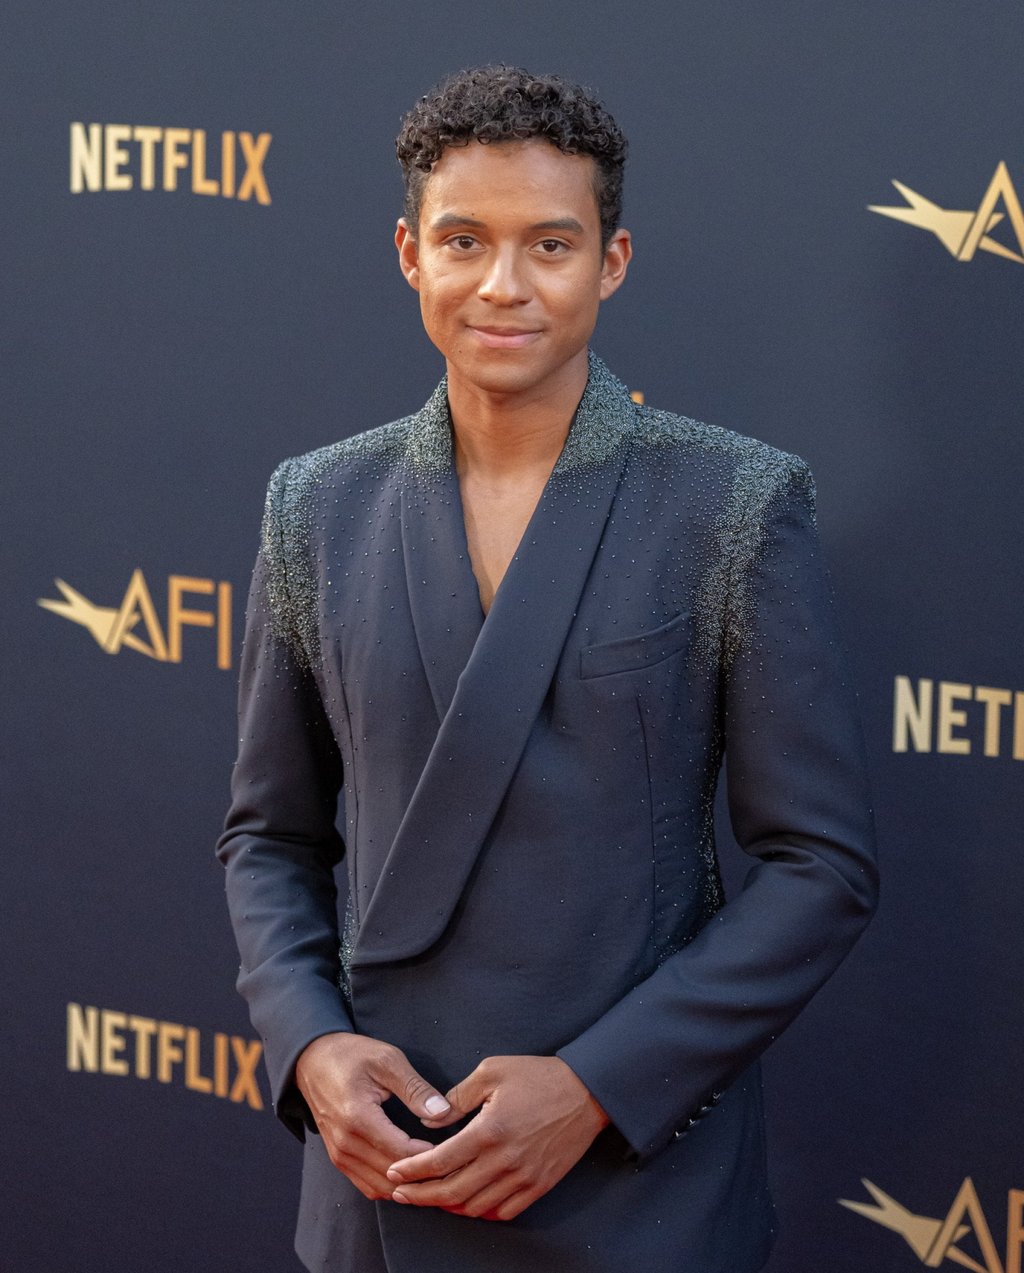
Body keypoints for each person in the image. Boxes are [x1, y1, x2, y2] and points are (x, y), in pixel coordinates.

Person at [217, 64, 878, 1273]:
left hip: (635, 1187)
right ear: (410, 254)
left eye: (550, 245)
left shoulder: (730, 501)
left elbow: (819, 865)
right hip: (382, 1168)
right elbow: (270, 833)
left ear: (610, 262)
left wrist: (598, 1086)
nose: (503, 285)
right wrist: (310, 1047)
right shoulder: (316, 505)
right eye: (464, 240)